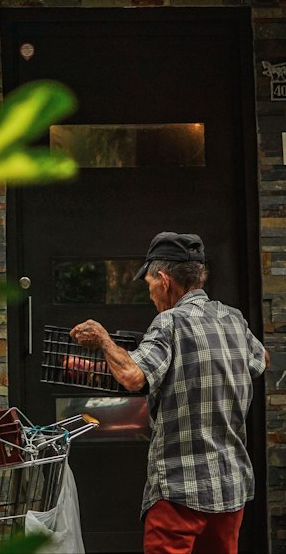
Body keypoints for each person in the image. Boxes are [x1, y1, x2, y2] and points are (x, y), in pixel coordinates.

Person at [70, 230, 267, 554]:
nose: (150, 295)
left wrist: (104, 341)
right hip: (230, 489)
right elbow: (261, 360)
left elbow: (132, 376)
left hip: (179, 490)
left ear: (163, 280)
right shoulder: (233, 319)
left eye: (148, 285)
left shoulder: (169, 323)